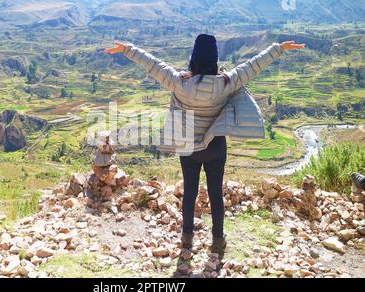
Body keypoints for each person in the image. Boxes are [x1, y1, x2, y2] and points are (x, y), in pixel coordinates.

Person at [106, 34, 305, 257]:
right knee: (215, 194)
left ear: (193, 57)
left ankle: (187, 240)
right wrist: (278, 48)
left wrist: (128, 49)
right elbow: (253, 66)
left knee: (189, 194)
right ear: (215, 58)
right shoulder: (226, 83)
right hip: (215, 147)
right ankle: (218, 242)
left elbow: (153, 64)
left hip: (188, 148)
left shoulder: (179, 82)